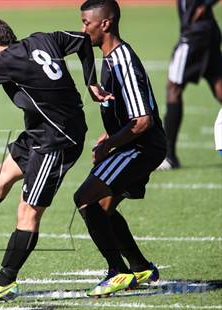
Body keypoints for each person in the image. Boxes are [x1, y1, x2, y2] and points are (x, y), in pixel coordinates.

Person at [0, 17, 112, 302]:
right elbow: (83, 42)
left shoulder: (4, 60)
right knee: (1, 177)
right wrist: (90, 81)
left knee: (28, 211)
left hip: (56, 140)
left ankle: (4, 281)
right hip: (39, 132)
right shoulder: (43, 38)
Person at [73, 0, 166, 297]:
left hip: (141, 147)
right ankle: (139, 266)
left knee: (85, 199)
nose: (82, 30)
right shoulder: (110, 57)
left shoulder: (122, 59)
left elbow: (142, 121)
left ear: (106, 24)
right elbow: (129, 112)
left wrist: (109, 145)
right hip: (136, 144)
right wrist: (109, 133)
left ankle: (118, 272)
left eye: (86, 23)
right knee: (104, 207)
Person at [160, 0, 222, 170]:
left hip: (196, 34)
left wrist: (205, 5)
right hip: (205, 31)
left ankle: (169, 157)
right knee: (219, 88)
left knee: (173, 87)